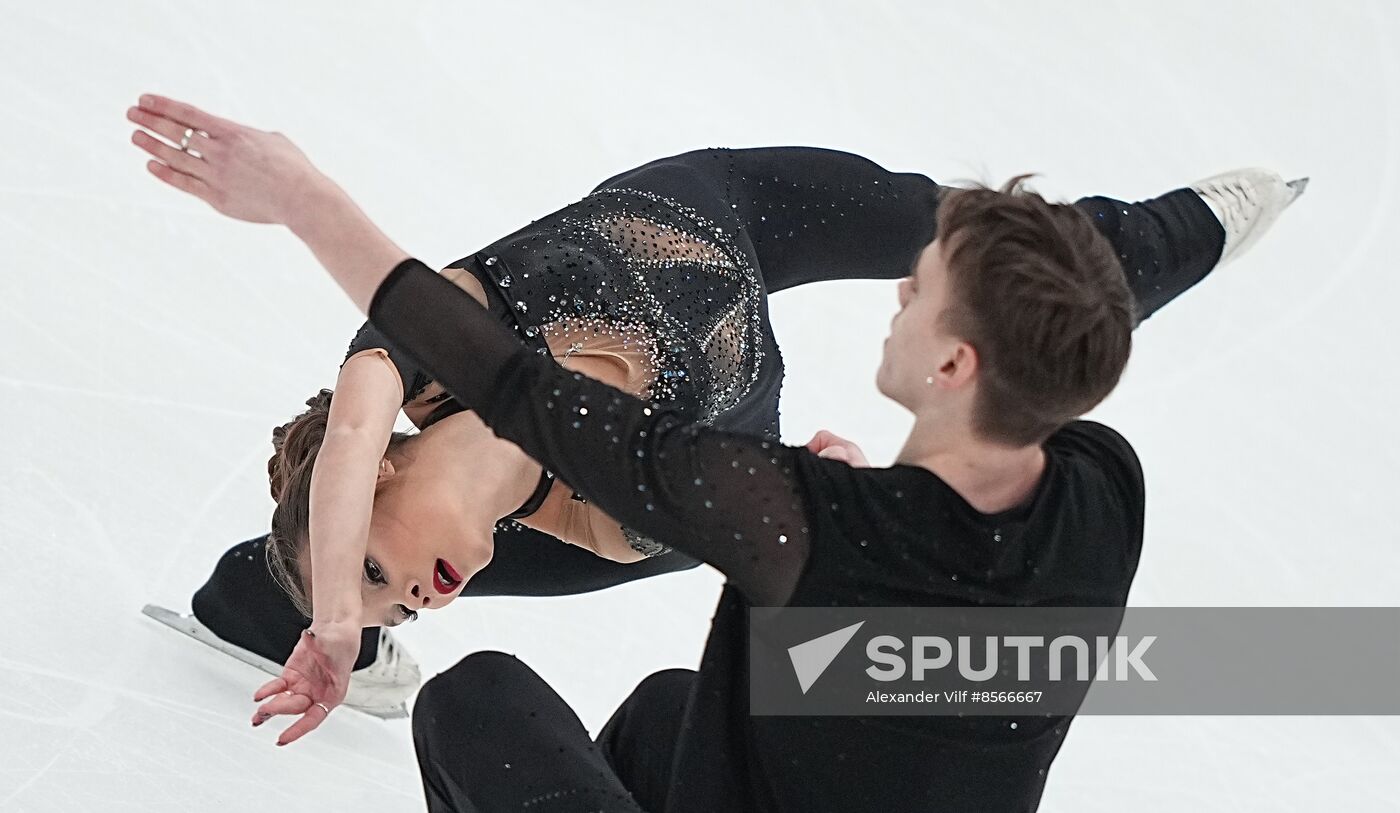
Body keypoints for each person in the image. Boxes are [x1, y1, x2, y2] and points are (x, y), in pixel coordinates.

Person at [128, 94, 1302, 809]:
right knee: (668, 709)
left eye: (920, 301)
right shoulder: (1104, 488)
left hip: (720, 227)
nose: (898, 295)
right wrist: (343, 612)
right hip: (704, 518)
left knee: (971, 233)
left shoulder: (766, 508)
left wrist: (304, 197)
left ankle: (1160, 236)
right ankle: (279, 603)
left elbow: (443, 400)